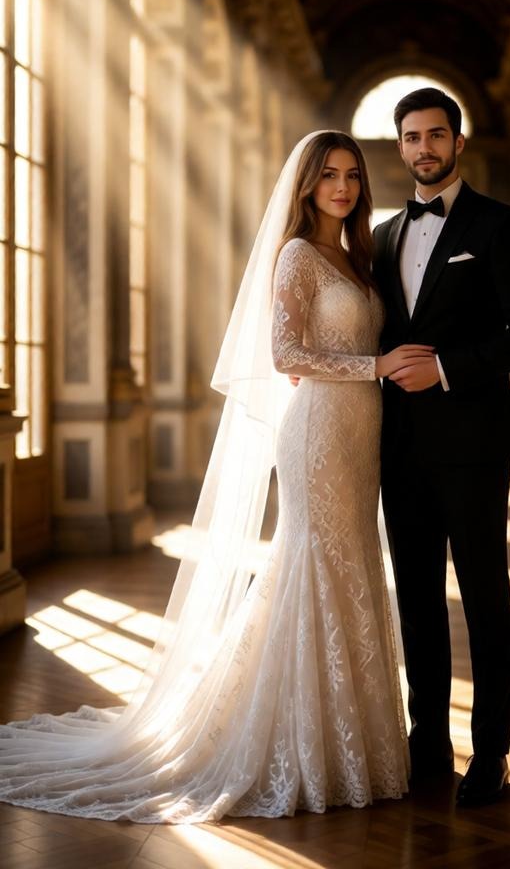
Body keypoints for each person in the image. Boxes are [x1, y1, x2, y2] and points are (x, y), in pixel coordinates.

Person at [0, 130, 429, 822]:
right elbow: (285, 350)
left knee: (351, 565)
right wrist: (372, 368)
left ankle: (354, 742)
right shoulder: (295, 254)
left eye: (351, 175)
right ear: (306, 186)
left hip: (362, 436)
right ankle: (296, 743)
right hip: (318, 429)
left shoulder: (355, 256)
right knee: (313, 564)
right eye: (328, 176)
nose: (343, 187)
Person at [373, 87, 510, 807]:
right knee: (416, 601)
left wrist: (446, 369)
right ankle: (427, 746)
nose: (425, 148)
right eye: (412, 137)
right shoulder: (382, 236)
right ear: (401, 147)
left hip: (474, 445)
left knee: (484, 599)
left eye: (436, 134)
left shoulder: (500, 225)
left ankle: (492, 753)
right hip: (399, 449)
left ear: (458, 141)